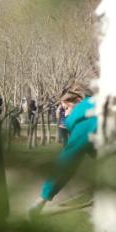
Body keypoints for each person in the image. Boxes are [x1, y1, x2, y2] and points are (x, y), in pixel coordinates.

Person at [31, 84, 95, 213]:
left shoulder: (84, 120)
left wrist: (43, 198)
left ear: (77, 101)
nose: (65, 114)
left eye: (66, 108)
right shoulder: (98, 107)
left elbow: (67, 162)